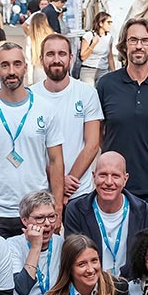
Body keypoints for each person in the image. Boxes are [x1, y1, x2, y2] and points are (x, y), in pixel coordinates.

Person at [0, 43, 65, 238]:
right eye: (5, 65)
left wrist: (57, 208)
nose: (11, 71)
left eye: (17, 64)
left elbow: (56, 161)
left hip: (36, 211)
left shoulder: (46, 109)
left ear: (25, 67)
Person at [96, 19, 148, 222]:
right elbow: (98, 129)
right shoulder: (107, 84)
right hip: (114, 187)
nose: (139, 46)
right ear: (124, 45)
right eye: (133, 40)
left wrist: (147, 144)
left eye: (145, 40)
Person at [63, 152, 148, 278]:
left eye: (115, 176)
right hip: (91, 284)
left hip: (132, 287)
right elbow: (73, 257)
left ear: (125, 179)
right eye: (103, 175)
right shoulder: (76, 210)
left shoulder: (144, 213)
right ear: (94, 176)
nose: (109, 182)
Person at [31, 33, 103, 202]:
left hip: (77, 189)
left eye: (62, 54)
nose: (56, 59)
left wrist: (68, 182)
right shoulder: (30, 96)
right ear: (41, 60)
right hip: (41, 191)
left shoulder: (87, 93)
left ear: (71, 58)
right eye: (50, 54)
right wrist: (58, 180)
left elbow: (92, 144)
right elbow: (31, 149)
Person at [79, 12, 115, 84]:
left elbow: (110, 56)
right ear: (101, 23)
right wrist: (93, 44)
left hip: (103, 70)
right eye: (108, 22)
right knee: (90, 93)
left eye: (111, 22)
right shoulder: (89, 35)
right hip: (88, 69)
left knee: (103, 93)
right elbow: (82, 57)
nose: (110, 25)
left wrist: (114, 73)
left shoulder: (109, 37)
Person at [23, 12, 53, 87]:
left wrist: (30, 80)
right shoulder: (53, 36)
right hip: (53, 69)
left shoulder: (30, 39)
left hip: (37, 71)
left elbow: (28, 60)